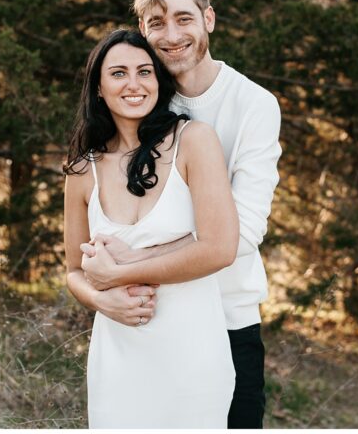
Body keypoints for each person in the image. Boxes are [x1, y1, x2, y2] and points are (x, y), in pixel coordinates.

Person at [81, 0, 282, 429]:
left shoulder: (252, 104)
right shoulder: (142, 98)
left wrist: (126, 266)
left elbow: (243, 231)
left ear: (208, 19)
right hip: (144, 316)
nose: (171, 35)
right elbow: (104, 210)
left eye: (184, 19)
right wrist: (102, 287)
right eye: (156, 23)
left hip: (227, 316)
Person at [63, 29, 239, 428]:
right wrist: (101, 299)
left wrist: (121, 272)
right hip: (117, 360)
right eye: (119, 73)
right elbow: (74, 270)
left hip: (192, 357)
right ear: (99, 89)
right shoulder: (81, 168)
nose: (134, 84)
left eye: (145, 71)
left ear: (159, 81)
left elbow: (220, 248)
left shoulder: (194, 141)